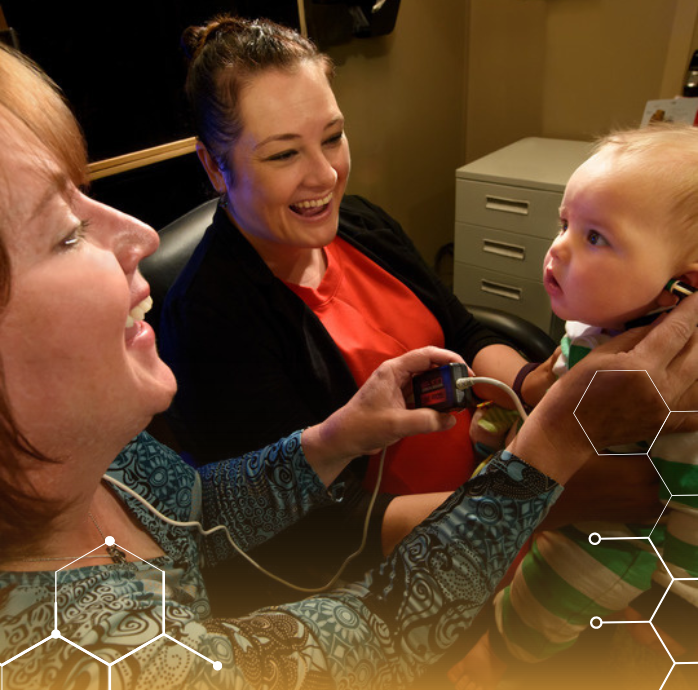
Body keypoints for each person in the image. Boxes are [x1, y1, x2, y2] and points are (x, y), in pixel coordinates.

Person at [2, 43, 697, 690]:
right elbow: (368, 632)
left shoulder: (117, 463)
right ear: (217, 168)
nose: (140, 233)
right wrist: (551, 464)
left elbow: (195, 511)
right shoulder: (83, 654)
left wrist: (345, 434)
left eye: (333, 137)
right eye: (66, 234)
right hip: (451, 541)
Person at [157, 15, 660, 615]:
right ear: (216, 167)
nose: (325, 175)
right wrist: (539, 495)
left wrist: (534, 383)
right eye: (284, 153)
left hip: (489, 478)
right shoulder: (211, 321)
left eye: (334, 136)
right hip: (400, 566)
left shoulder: (360, 224)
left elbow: (462, 332)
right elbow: (315, 536)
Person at [452, 123, 698, 690]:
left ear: (677, 290)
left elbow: (670, 496)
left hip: (653, 540)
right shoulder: (614, 314)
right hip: (599, 460)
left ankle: (504, 648)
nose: (557, 247)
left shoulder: (682, 378)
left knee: (554, 581)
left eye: (595, 239)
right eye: (565, 224)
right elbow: (564, 377)